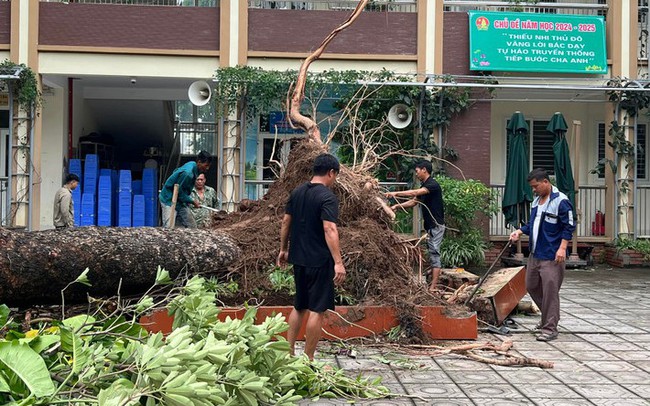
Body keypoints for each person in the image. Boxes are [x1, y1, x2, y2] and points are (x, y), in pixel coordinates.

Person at [277, 153, 346, 361]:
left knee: (299, 306)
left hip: (298, 258)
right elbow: (330, 229)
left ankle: (288, 354)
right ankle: (308, 359)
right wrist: (338, 262)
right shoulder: (326, 196)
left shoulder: (297, 192)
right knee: (317, 309)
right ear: (331, 173)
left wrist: (283, 249)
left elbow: (285, 222)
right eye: (335, 176)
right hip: (319, 260)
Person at [510, 168, 575, 342]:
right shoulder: (536, 201)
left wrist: (562, 248)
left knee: (550, 291)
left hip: (552, 255)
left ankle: (550, 328)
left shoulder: (561, 201)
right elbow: (533, 224)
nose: (533, 190)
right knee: (531, 286)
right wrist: (519, 231)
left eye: (536, 186)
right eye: (532, 187)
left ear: (545, 182)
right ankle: (549, 317)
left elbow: (569, 226)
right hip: (535, 253)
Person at [385, 160, 444, 291]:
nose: (416, 174)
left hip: (436, 225)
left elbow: (413, 193)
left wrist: (396, 193)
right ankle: (432, 284)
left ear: (424, 170)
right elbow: (413, 202)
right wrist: (396, 206)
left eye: (417, 171)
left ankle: (433, 287)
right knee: (431, 253)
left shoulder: (432, 185)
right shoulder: (425, 185)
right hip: (430, 226)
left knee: (434, 254)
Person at [159, 151, 212, 228]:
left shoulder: (193, 166)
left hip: (180, 201)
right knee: (169, 228)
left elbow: (176, 171)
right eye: (206, 165)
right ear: (199, 162)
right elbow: (178, 192)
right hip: (169, 199)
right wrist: (192, 201)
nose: (207, 168)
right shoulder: (188, 174)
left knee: (192, 226)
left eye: (209, 166)